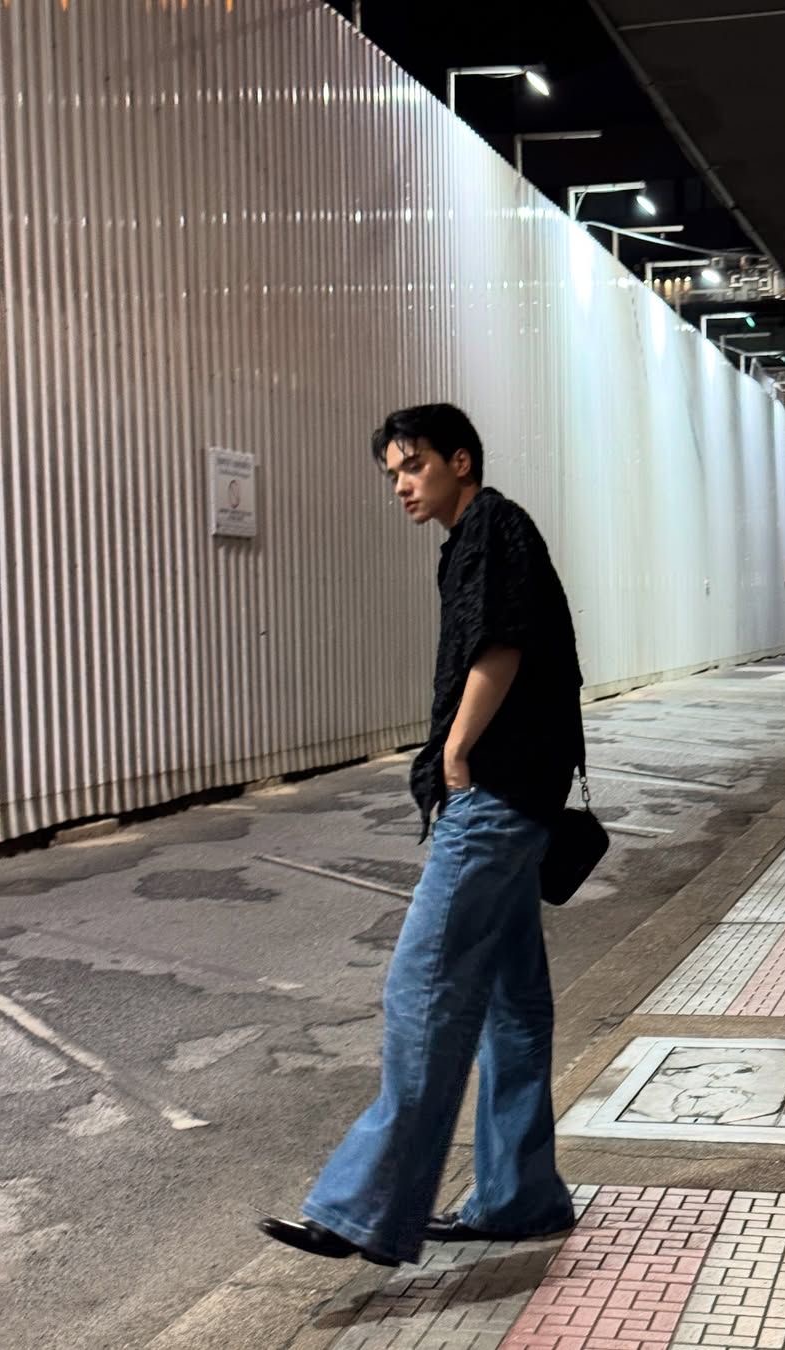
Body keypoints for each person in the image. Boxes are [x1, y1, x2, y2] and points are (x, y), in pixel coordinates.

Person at [260, 404, 584, 1267]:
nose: (402, 485)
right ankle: (520, 1198)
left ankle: (364, 1207)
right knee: (512, 1006)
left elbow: (501, 645)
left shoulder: (492, 529)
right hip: (523, 799)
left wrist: (454, 752)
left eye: (413, 466)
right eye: (394, 474)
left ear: (460, 461)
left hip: (494, 798)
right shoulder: (482, 532)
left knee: (424, 991)